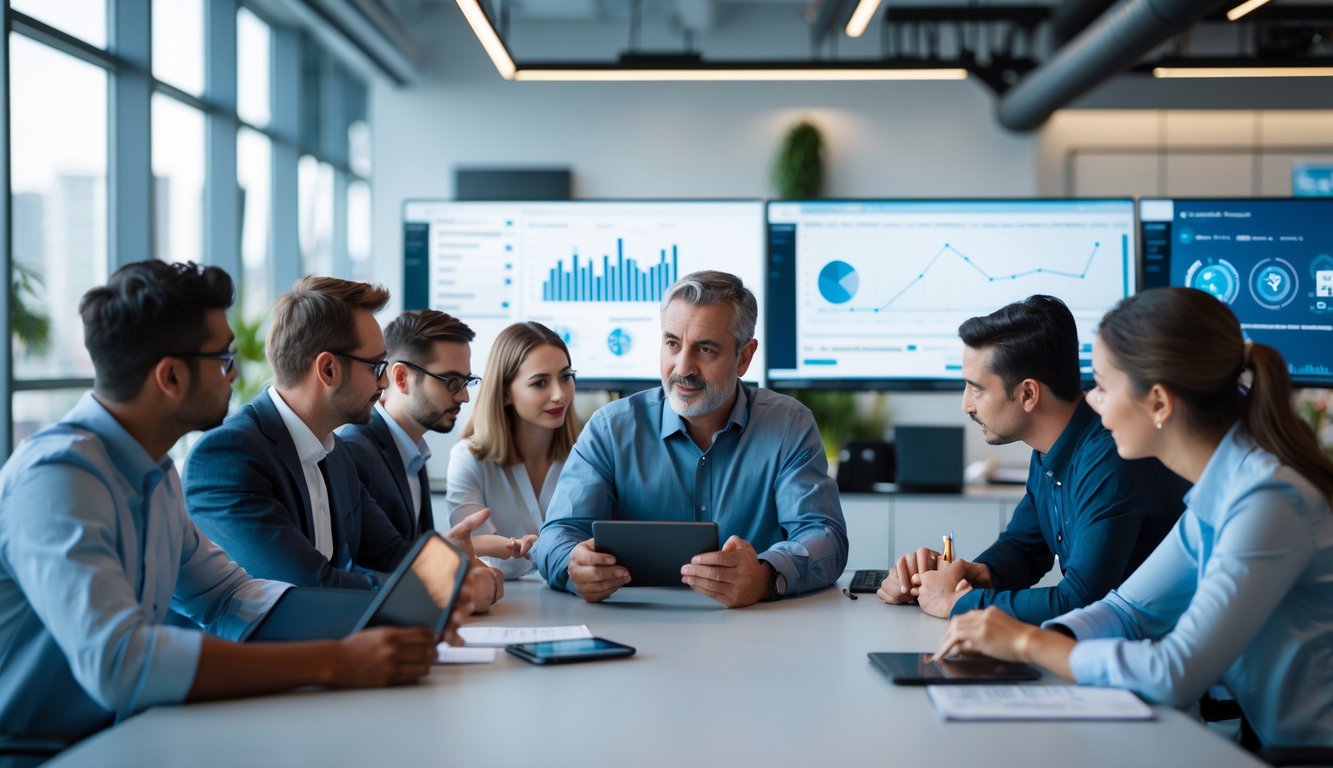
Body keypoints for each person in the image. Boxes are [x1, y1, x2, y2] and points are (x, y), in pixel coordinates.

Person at [0, 262, 460, 750]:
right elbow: (120, 661)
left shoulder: (154, 474)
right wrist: (336, 661)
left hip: (127, 736)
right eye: (223, 360)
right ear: (171, 376)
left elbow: (230, 595)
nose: (236, 373)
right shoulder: (57, 478)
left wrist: (397, 617)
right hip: (43, 752)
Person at [936, 287, 1333, 750]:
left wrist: (1028, 644)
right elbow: (1127, 610)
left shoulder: (1268, 502)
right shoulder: (1221, 493)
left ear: (1159, 404)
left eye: (1104, 387)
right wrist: (1007, 635)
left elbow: (1174, 672)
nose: (1093, 404)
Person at [532, 270, 848, 607]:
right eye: (672, 343)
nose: (683, 367)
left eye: (705, 350)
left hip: (753, 632)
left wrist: (765, 575)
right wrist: (573, 564)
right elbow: (555, 535)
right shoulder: (611, 429)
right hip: (635, 626)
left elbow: (823, 536)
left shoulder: (789, 425)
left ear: (744, 357)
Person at [183, 277, 498, 610]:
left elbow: (391, 554)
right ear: (329, 369)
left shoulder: (336, 453)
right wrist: (445, 587)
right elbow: (309, 586)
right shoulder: (229, 457)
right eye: (377, 366)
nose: (385, 381)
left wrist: (455, 568)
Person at [878, 295, 1188, 624]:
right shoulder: (1048, 449)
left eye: (976, 388)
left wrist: (959, 602)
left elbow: (1081, 601)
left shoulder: (1108, 456)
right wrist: (970, 575)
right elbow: (1024, 548)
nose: (966, 404)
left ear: (1028, 394)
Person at [339, 309, 513, 591]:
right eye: (451, 382)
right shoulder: (354, 452)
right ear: (401, 378)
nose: (464, 396)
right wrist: (457, 581)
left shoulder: (410, 450)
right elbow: (375, 566)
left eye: (467, 381)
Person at [447, 321, 582, 579]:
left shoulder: (586, 454)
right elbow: (468, 548)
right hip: (501, 605)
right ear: (505, 392)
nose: (559, 395)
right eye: (540, 383)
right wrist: (517, 548)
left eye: (566, 377)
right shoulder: (469, 459)